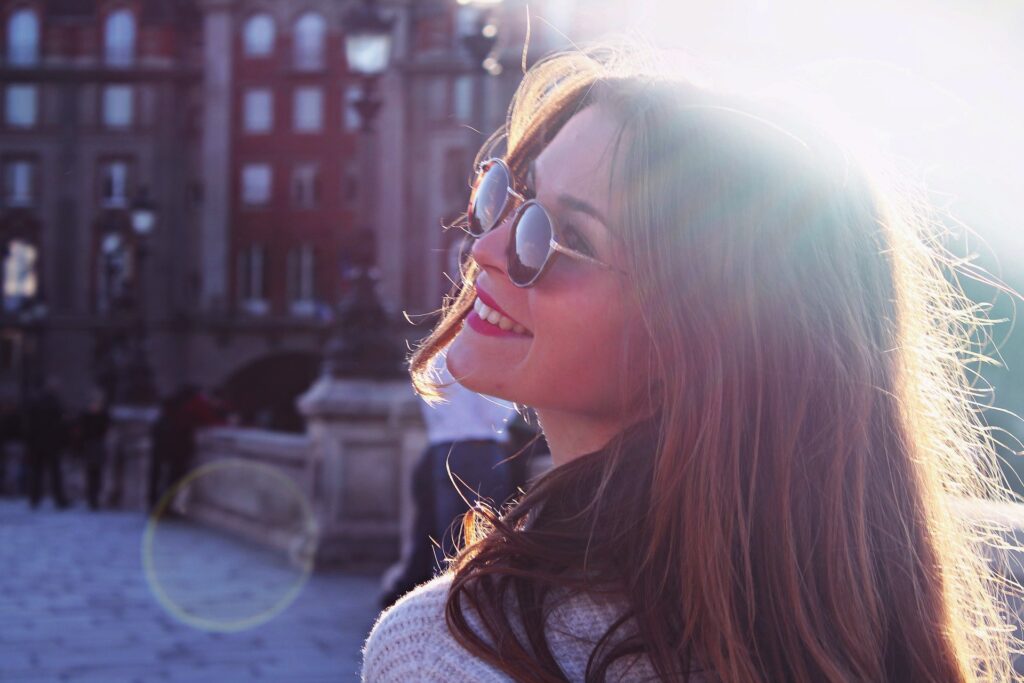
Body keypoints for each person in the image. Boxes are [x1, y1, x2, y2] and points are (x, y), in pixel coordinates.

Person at [362, 47, 1020, 681]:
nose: (485, 249)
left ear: (695, 340)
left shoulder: (445, 652)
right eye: (513, 193)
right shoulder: (878, 626)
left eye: (561, 237)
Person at [380, 361, 516, 609]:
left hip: (440, 447)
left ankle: (435, 601)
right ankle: (465, 604)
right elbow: (495, 414)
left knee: (444, 535)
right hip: (480, 449)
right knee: (482, 538)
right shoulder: (478, 353)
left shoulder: (436, 356)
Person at [24, 377, 70, 509]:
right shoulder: (54, 403)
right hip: (51, 443)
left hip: (39, 443)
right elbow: (61, 424)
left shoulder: (37, 402)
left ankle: (35, 499)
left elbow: (30, 425)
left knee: (38, 472)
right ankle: (58, 499)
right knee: (53, 473)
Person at [75, 387, 110, 511]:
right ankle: (91, 498)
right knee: (90, 474)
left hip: (97, 446)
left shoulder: (103, 417)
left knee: (97, 474)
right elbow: (81, 433)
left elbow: (104, 430)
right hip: (90, 446)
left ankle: (94, 498)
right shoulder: (86, 417)